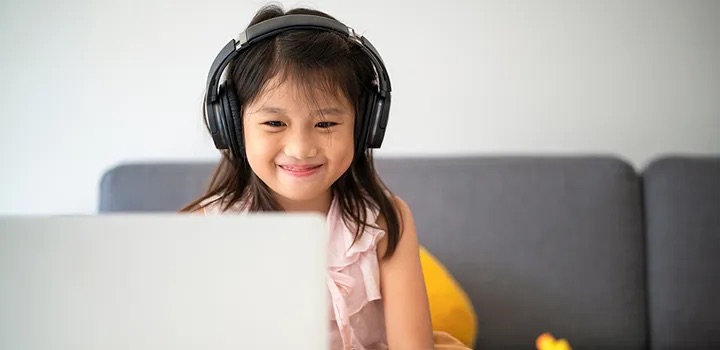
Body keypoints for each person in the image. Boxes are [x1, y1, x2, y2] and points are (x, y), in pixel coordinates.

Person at [182, 4, 441, 350]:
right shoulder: (200, 230)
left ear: (363, 127)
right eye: (274, 123)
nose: (301, 149)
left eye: (326, 124)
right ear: (232, 126)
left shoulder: (386, 223)